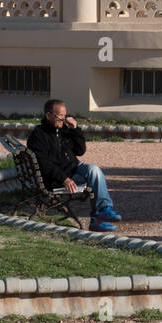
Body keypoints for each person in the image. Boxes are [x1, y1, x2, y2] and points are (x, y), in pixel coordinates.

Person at [27, 99, 121, 232]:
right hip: (57, 180)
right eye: (60, 117)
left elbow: (80, 151)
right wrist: (64, 179)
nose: (63, 120)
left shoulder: (65, 130)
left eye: (64, 117)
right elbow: (44, 164)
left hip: (73, 170)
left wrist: (75, 130)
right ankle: (97, 220)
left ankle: (104, 210)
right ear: (48, 115)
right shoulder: (38, 136)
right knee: (94, 180)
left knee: (94, 170)